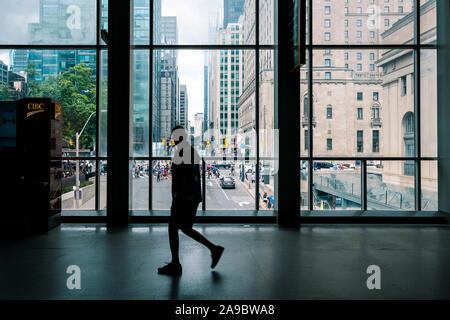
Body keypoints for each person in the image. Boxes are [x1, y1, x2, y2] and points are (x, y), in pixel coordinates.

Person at [158, 126, 225, 276]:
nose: (171, 139)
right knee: (184, 227)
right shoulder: (189, 150)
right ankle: (214, 249)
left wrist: (178, 198)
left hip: (184, 198)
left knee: (173, 227)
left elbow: (184, 179)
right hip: (190, 197)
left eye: (173, 136)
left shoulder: (183, 152)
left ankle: (176, 263)